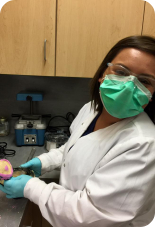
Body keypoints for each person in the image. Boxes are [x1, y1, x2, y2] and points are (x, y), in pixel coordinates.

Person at [1, 35, 155, 227]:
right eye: (121, 72)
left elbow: (92, 212)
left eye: (144, 81)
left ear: (151, 94)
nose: (129, 86)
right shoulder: (91, 109)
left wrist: (30, 187)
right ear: (102, 74)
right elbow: (76, 146)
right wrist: (45, 161)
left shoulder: (144, 145)